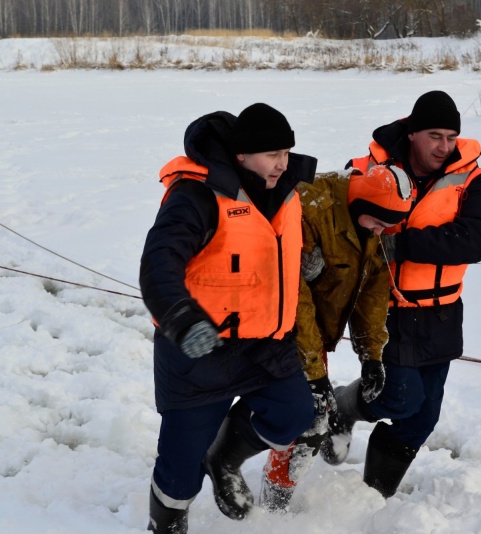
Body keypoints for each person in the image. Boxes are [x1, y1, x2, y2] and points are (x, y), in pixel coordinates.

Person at [140, 103, 318, 533]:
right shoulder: (196, 195)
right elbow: (159, 262)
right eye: (272, 153)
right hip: (200, 351)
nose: (282, 163)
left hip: (265, 347)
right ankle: (166, 525)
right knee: (180, 472)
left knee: (295, 413)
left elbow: (267, 249)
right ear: (241, 156)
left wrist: (304, 263)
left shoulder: (286, 190)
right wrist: (181, 317)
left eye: (286, 152)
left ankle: (224, 455)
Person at [321, 90, 481, 498]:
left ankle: (375, 497)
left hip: (442, 311)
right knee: (400, 398)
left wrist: (401, 243)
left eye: (451, 136)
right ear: (413, 133)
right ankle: (345, 405)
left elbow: (476, 239)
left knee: (423, 417)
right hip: (386, 309)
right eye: (435, 135)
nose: (444, 146)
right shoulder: (367, 168)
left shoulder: (470, 177)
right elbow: (339, 226)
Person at [259, 164, 414, 512]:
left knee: (311, 422)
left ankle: (274, 502)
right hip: (272, 326)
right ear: (360, 206)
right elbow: (294, 300)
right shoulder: (311, 208)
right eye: (377, 222)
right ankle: (247, 486)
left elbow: (374, 291)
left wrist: (371, 355)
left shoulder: (378, 228)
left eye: (388, 225)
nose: (381, 231)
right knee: (296, 415)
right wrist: (314, 373)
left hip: (307, 334)